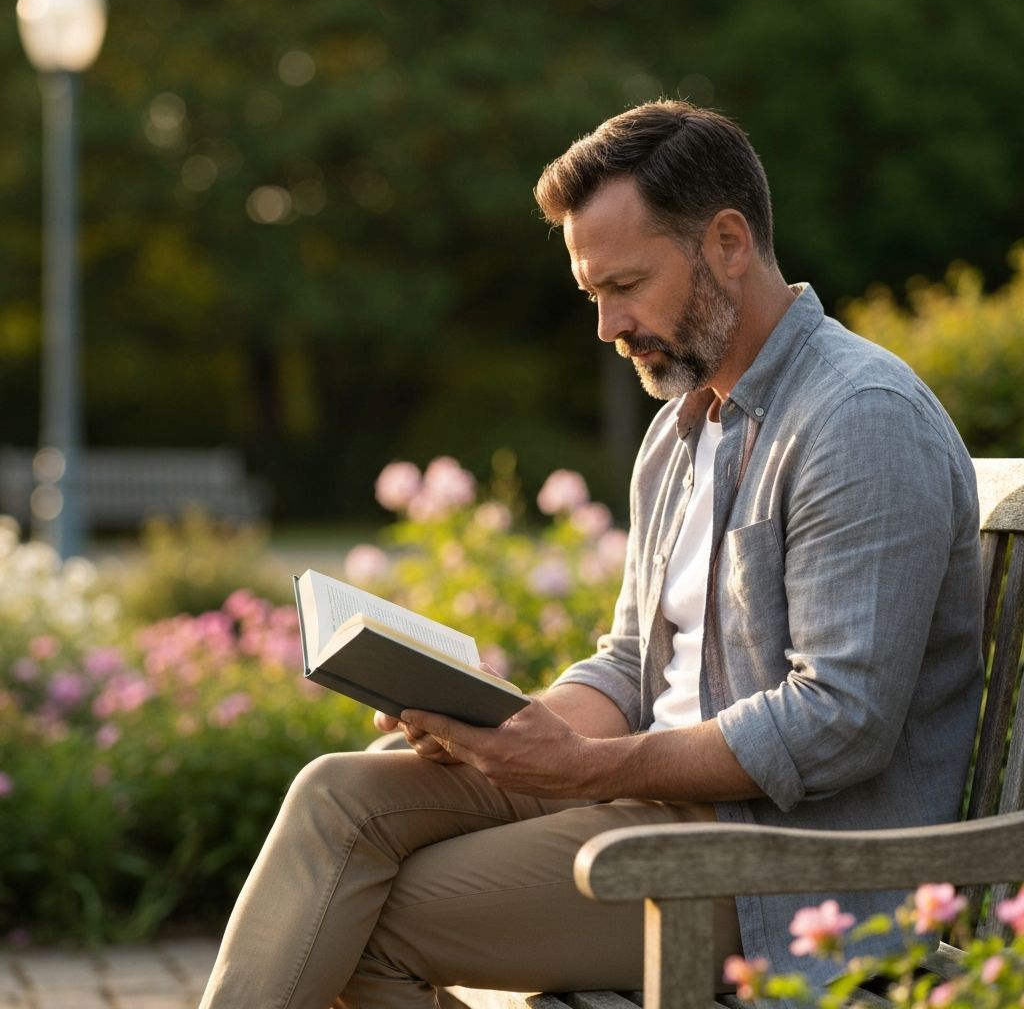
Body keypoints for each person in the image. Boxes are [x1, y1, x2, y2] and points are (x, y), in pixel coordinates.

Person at [198, 101, 983, 1009]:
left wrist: (585, 768)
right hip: (658, 799)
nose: (607, 326)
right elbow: (628, 666)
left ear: (728, 242)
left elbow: (840, 718)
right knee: (336, 798)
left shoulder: (858, 419)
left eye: (627, 285)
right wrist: (505, 728)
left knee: (348, 914)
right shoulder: (681, 430)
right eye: (592, 294)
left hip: (784, 870)